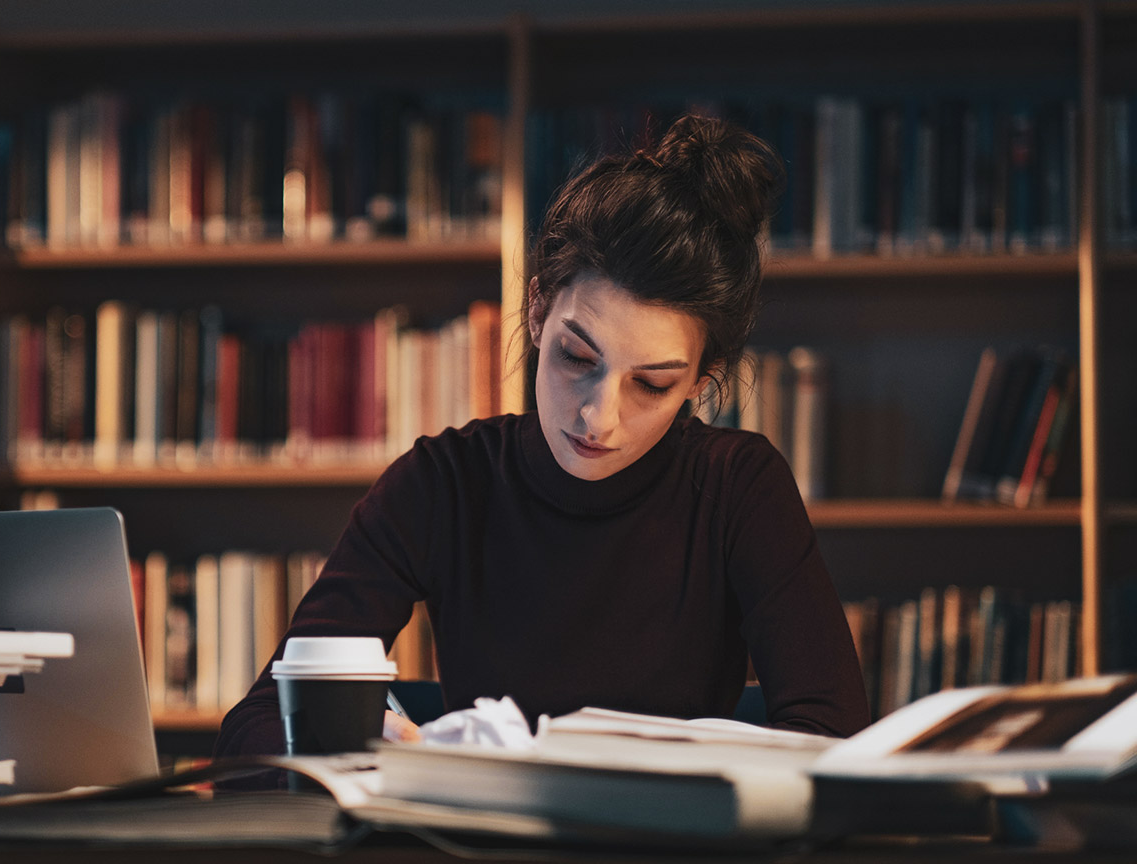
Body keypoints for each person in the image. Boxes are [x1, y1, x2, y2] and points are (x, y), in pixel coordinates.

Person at [215, 114, 871, 758]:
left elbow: (833, 738)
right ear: (536, 310)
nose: (597, 417)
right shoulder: (442, 483)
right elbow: (261, 723)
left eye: (652, 384)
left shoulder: (739, 488)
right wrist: (361, 755)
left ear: (702, 379)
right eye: (577, 359)